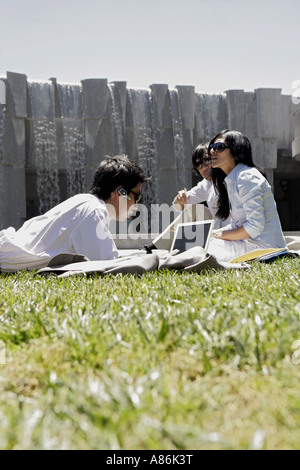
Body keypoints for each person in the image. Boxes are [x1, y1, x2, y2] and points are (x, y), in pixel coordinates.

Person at [0, 155, 148, 272]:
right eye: (137, 196)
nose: (136, 204)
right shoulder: (93, 211)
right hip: (6, 260)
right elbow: (107, 265)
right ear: (120, 193)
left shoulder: (86, 202)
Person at [207, 129, 287, 262]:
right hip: (249, 244)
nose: (212, 151)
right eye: (211, 147)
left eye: (219, 147)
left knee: (204, 249)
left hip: (265, 250)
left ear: (236, 150)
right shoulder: (232, 179)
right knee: (204, 244)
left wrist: (222, 234)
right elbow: (238, 224)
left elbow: (255, 226)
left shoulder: (247, 176)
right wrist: (215, 234)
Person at [173, 143, 230, 228]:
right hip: (220, 233)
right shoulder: (205, 184)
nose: (204, 167)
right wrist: (179, 199)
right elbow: (178, 206)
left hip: (241, 233)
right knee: (195, 210)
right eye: (199, 165)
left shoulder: (233, 178)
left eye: (207, 160)